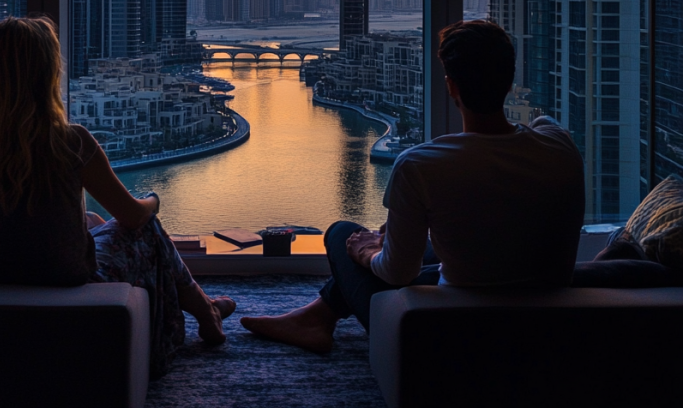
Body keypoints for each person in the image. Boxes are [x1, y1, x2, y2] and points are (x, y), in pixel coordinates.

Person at [241, 20, 585, 353]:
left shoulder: (421, 164)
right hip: (549, 315)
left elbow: (397, 272)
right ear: (510, 82)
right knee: (418, 247)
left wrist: (367, 252)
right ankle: (315, 319)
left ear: (451, 86)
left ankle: (315, 320)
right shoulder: (560, 146)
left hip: (460, 323)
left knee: (342, 233)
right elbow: (543, 125)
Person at [0, 16, 235, 377]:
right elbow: (131, 217)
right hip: (64, 275)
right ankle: (204, 309)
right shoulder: (70, 141)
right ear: (46, 75)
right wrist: (153, 200)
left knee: (96, 221)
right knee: (147, 225)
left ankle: (204, 306)